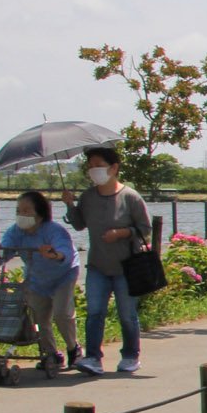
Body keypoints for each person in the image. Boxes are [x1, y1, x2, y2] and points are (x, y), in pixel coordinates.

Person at [62, 147, 152, 376]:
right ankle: (93, 357)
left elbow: (145, 229)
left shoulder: (130, 197)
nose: (93, 170)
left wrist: (122, 233)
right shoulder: (89, 197)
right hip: (97, 266)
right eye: (90, 166)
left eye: (98, 165)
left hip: (126, 266)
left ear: (113, 168)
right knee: (95, 312)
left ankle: (131, 356)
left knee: (127, 314)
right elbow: (80, 224)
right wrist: (70, 205)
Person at [0, 190, 80, 370]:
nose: (22, 215)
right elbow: (4, 253)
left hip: (63, 274)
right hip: (37, 278)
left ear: (40, 213)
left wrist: (54, 254)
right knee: (39, 319)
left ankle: (73, 349)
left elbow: (64, 252)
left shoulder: (54, 230)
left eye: (27, 210)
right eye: (18, 210)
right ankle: (51, 354)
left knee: (62, 313)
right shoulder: (15, 231)